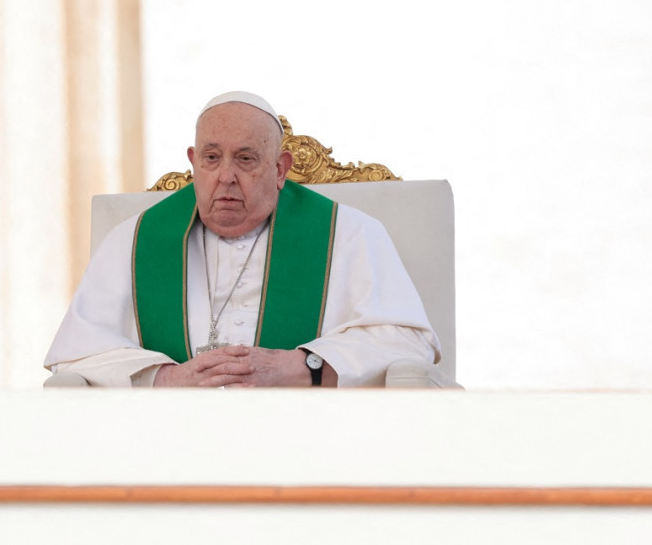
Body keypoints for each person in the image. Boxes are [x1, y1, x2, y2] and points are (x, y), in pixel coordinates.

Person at [44, 91, 440, 387]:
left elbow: (408, 343)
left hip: (314, 443)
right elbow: (75, 355)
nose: (226, 176)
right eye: (211, 158)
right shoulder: (132, 241)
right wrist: (163, 379)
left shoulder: (349, 233)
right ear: (193, 161)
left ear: (281, 168)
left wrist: (305, 367)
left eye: (246, 159)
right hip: (166, 444)